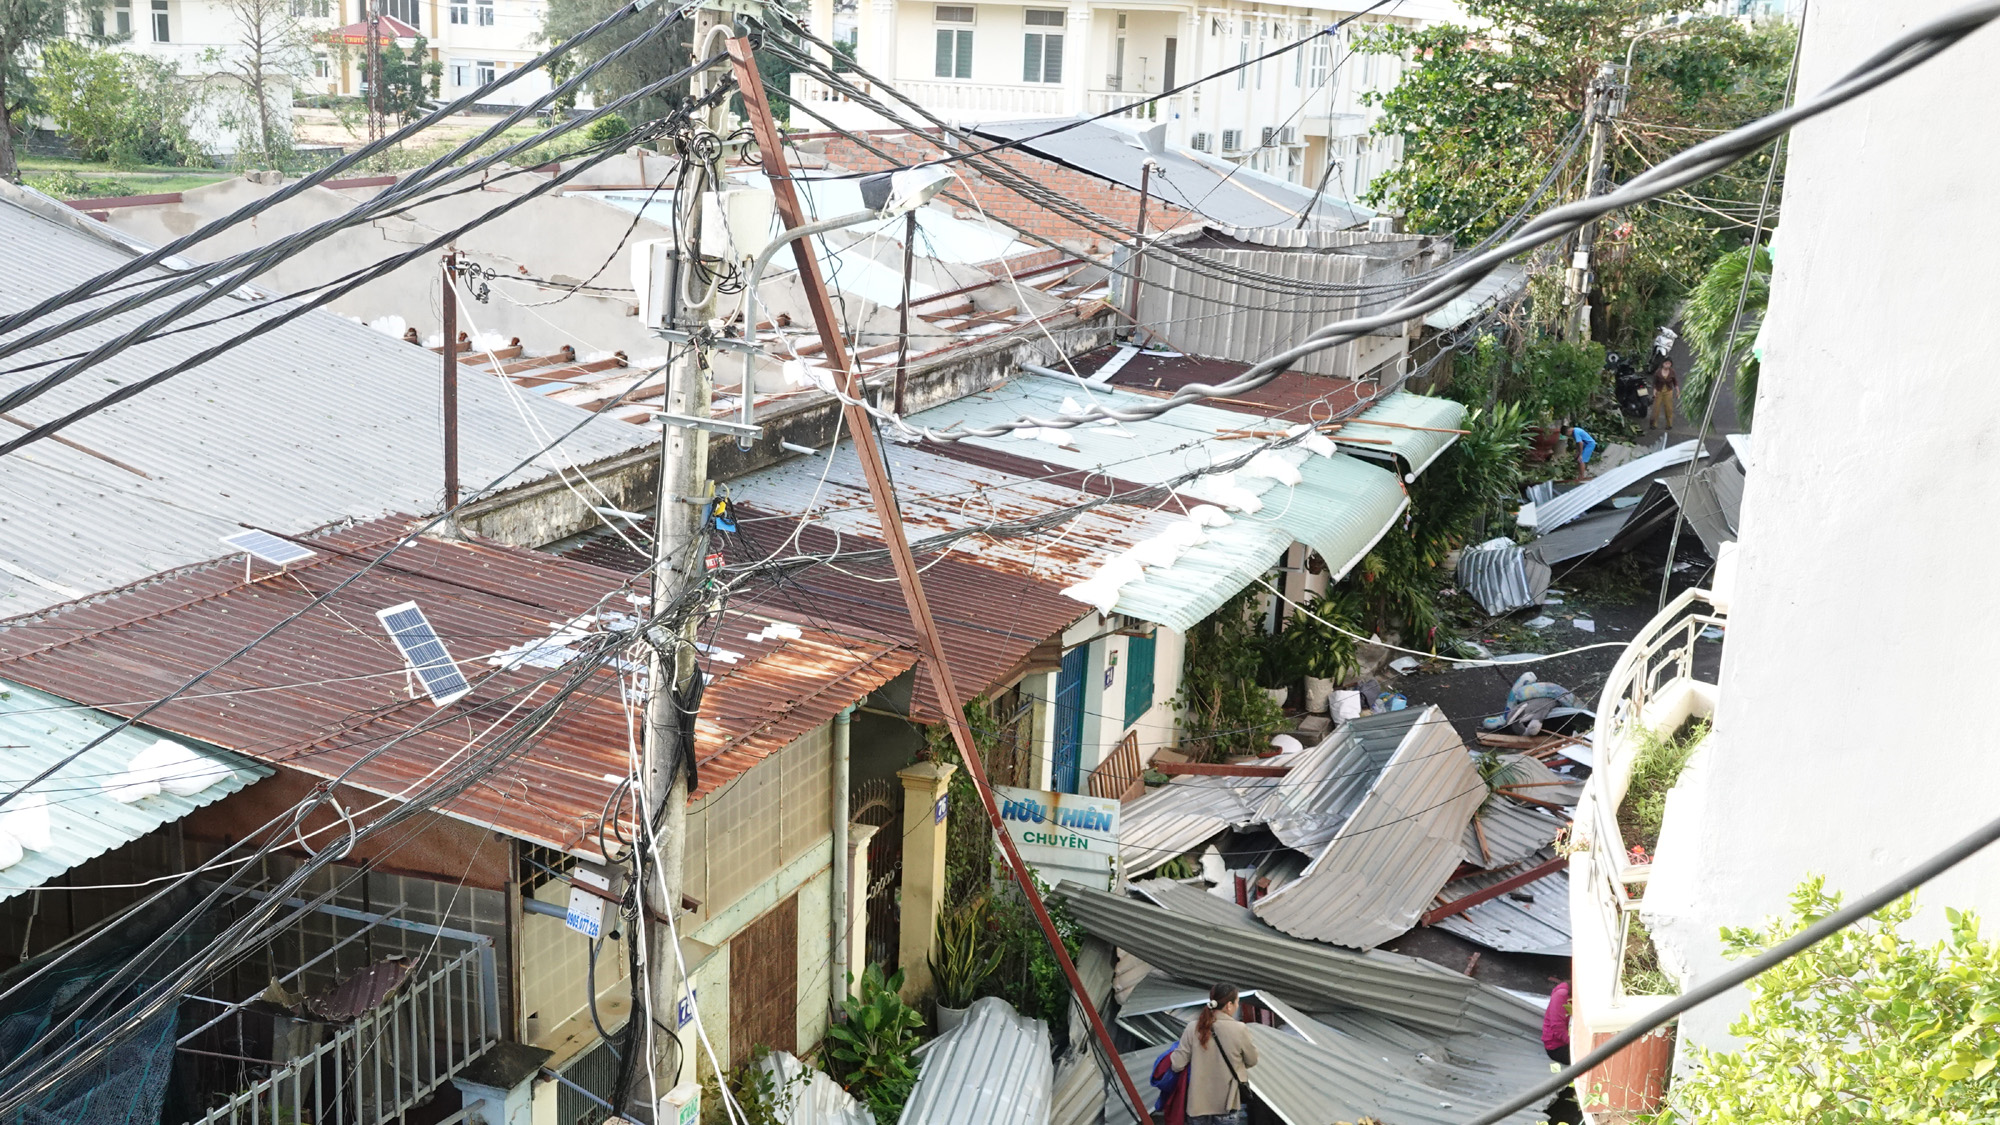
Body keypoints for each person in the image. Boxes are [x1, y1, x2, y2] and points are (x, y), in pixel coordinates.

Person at [1171, 983, 1258, 1125]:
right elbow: (1252, 1060)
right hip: (1226, 1104)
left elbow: (1177, 1064)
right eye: (1237, 1002)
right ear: (1229, 1005)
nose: (1237, 1006)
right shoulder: (1239, 1029)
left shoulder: (1193, 1027)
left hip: (1197, 1105)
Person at [1651, 357, 1678, 430]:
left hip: (1668, 392)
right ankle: (1654, 424)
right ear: (1663, 364)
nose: (1667, 365)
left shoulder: (1672, 372)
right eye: (1666, 363)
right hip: (1659, 391)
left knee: (1669, 408)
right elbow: (1654, 383)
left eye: (1669, 364)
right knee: (1656, 408)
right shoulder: (1658, 372)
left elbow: (1675, 382)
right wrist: (1654, 391)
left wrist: (1677, 391)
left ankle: (1669, 424)